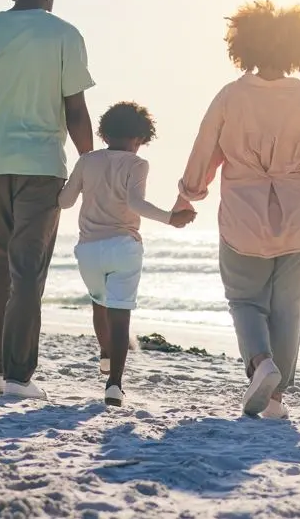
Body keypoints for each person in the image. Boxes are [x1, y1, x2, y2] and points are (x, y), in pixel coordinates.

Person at [174, 0, 300, 420]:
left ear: (243, 46)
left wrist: (187, 197)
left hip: (245, 218)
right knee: (289, 308)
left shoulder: (229, 97)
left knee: (245, 300)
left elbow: (204, 150)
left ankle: (261, 362)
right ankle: (276, 400)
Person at [0, 0, 95, 399]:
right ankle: (18, 377)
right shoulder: (65, 35)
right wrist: (90, 163)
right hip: (41, 166)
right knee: (29, 270)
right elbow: (75, 110)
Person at [58, 102, 195, 406]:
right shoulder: (137, 164)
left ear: (104, 133)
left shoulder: (87, 161)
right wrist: (170, 218)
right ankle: (114, 385)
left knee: (99, 304)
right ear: (140, 138)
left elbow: (65, 202)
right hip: (124, 246)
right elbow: (136, 203)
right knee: (120, 318)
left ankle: (105, 353)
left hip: (89, 249)